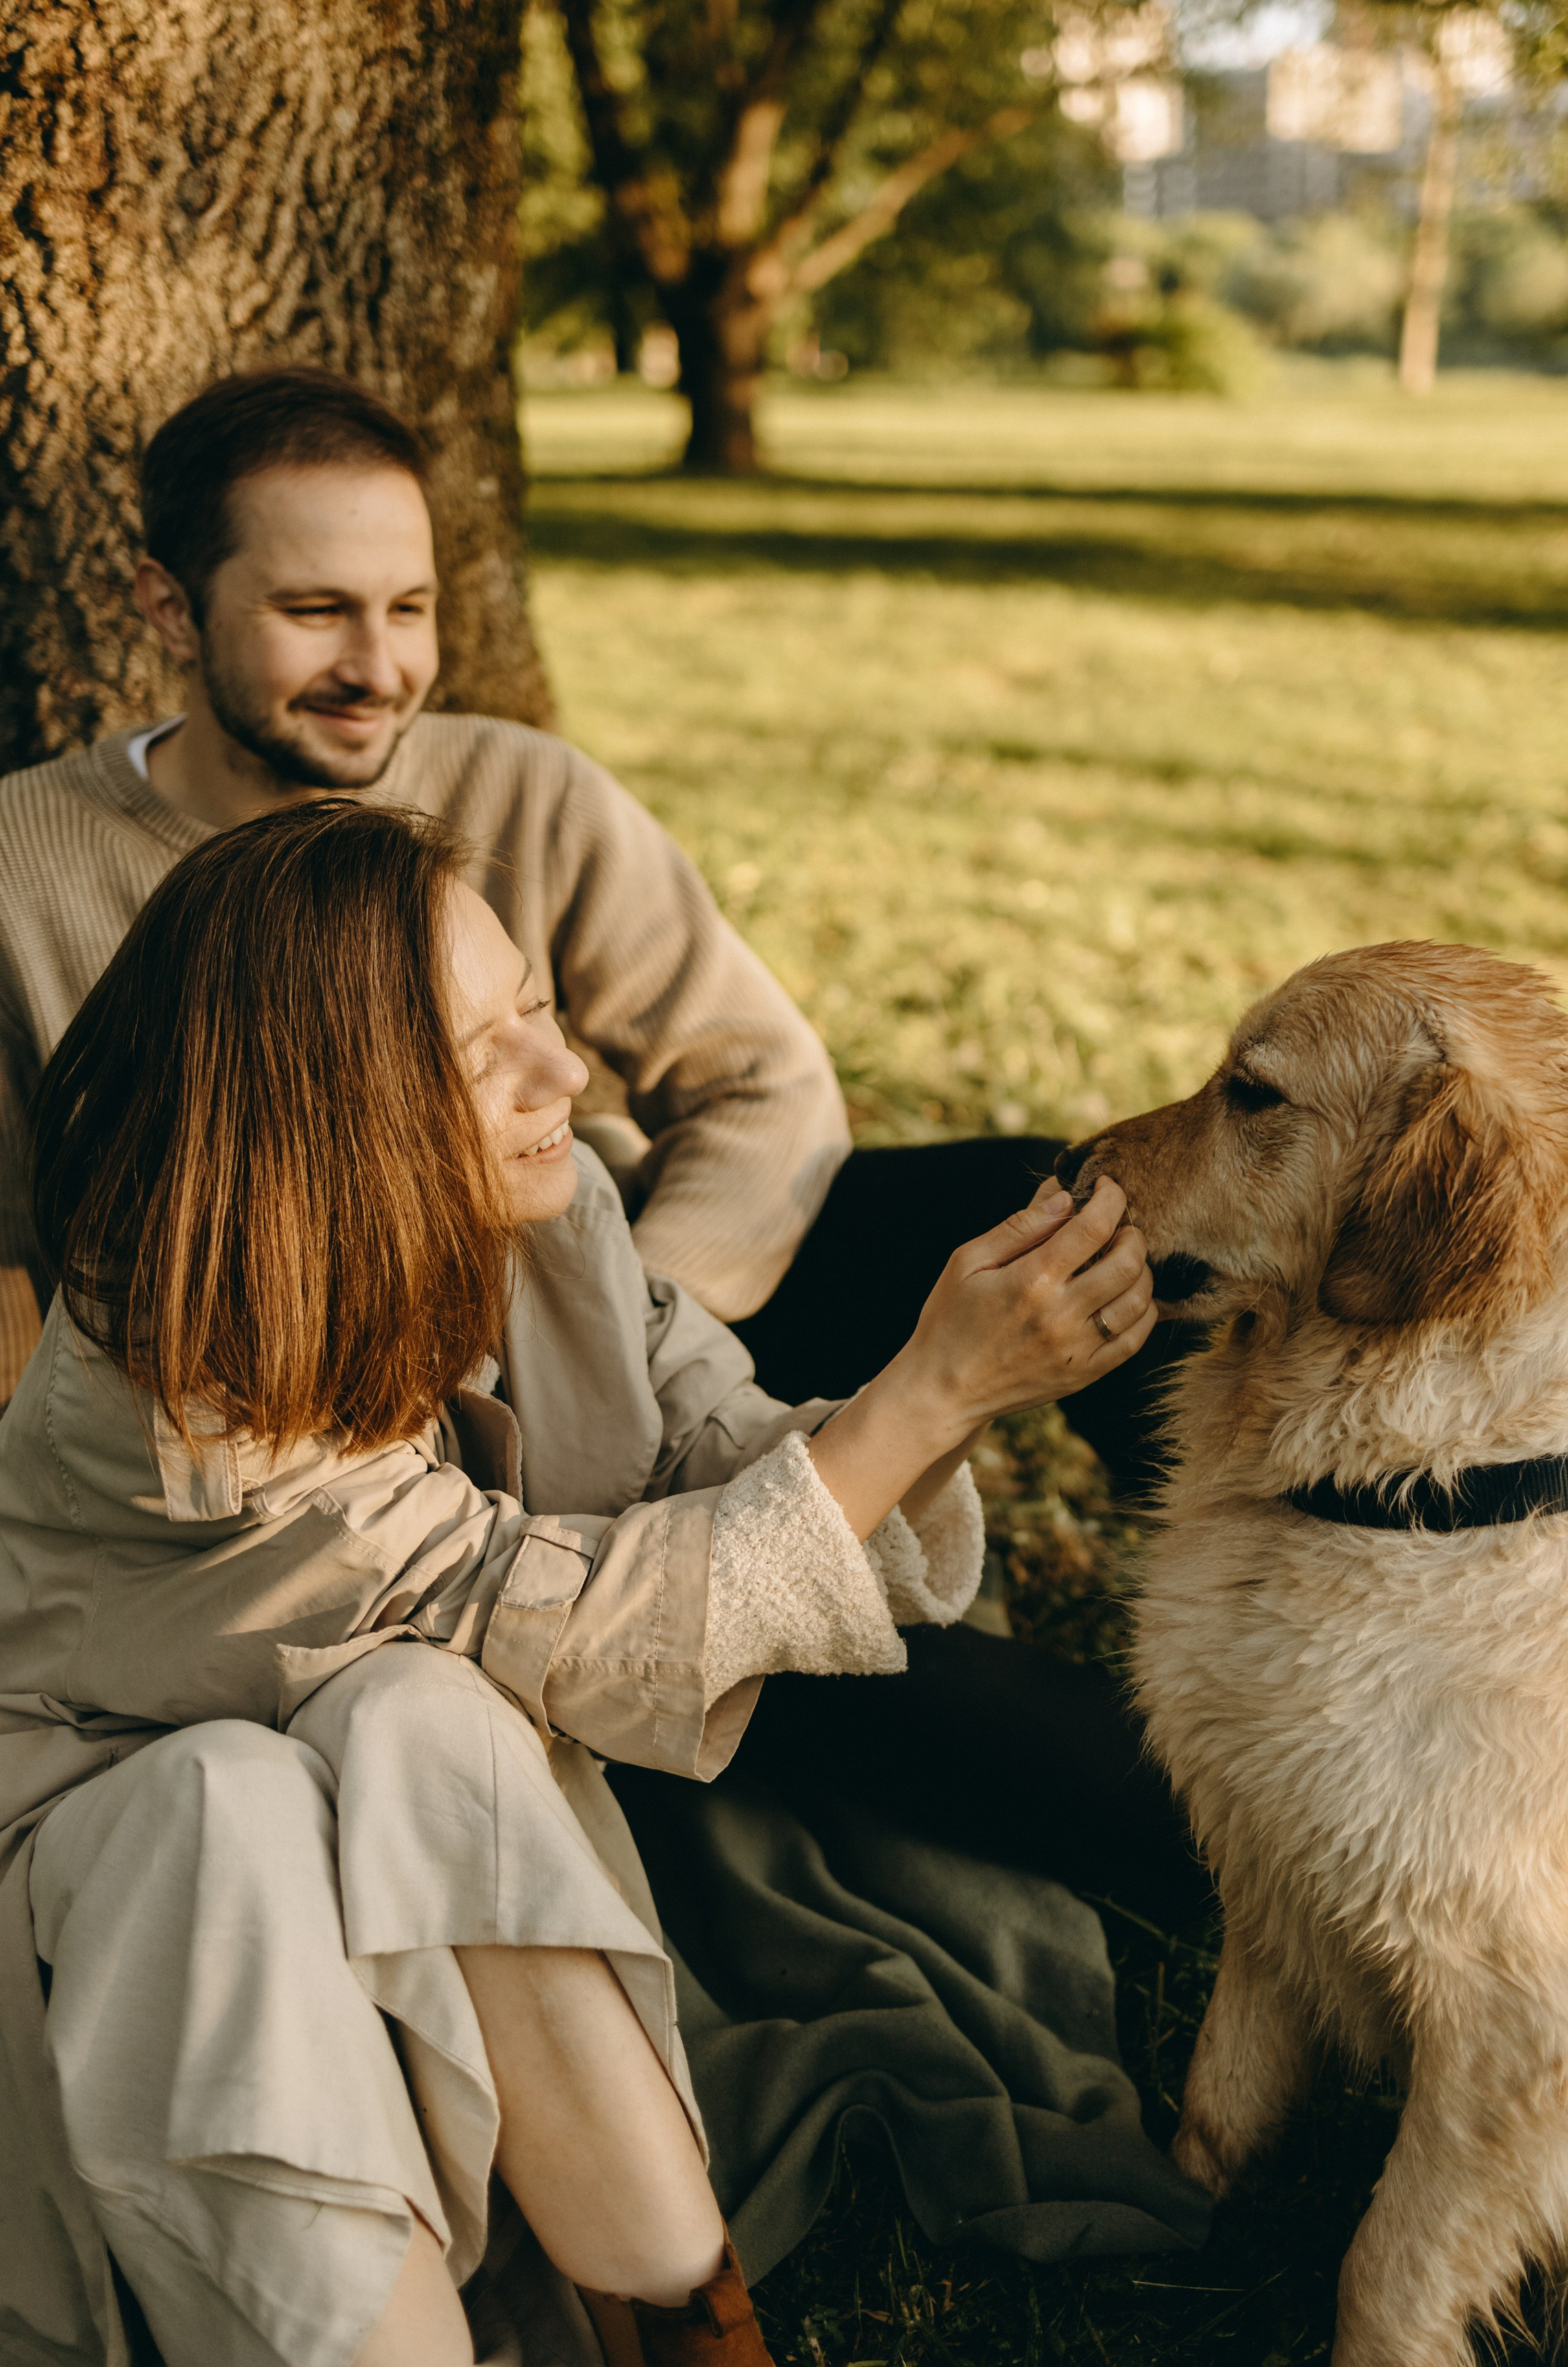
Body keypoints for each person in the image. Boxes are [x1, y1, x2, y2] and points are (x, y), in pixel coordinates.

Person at [0, 800, 1156, 2367]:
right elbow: (587, 1639)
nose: (566, 1079)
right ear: (346, 1120)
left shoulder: (548, 1219)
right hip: (114, 1881)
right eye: (486, 1058)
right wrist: (928, 1400)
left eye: (535, 1009)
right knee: (226, 1803)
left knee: (423, 1713)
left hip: (376, 1815)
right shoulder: (179, 1387)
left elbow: (721, 1445)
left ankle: (692, 2332)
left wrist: (945, 1380)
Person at [0, 366, 1188, 1497]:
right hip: (312, 1442)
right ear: (168, 605)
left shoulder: (526, 791)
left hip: (631, 1325)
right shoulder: (23, 860)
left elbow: (764, 1083)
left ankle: (1256, 1608)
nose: (379, 666)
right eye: (315, 612)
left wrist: (618, 1332)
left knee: (1038, 1208)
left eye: (408, 609)